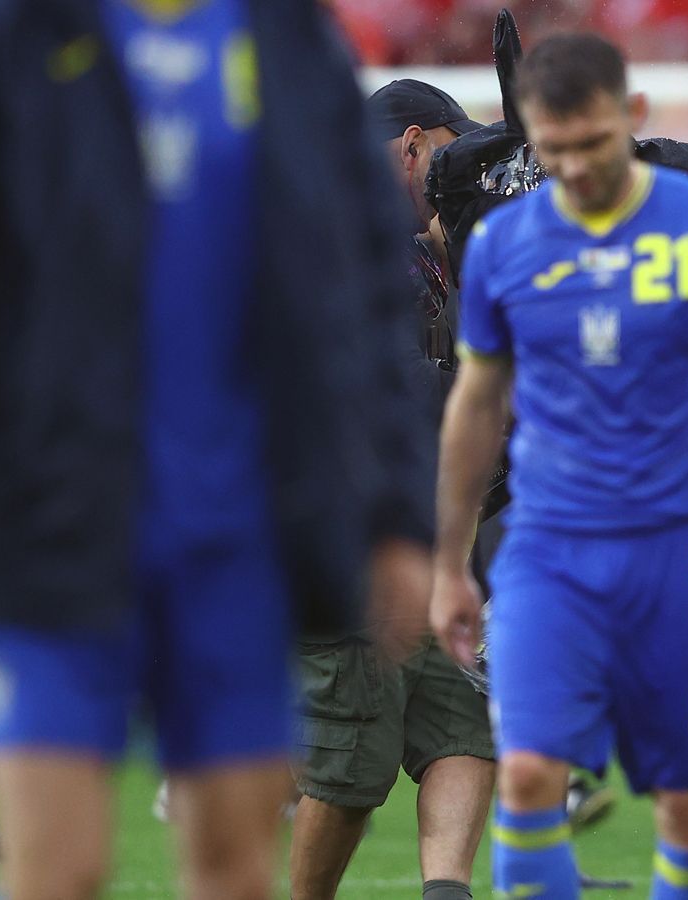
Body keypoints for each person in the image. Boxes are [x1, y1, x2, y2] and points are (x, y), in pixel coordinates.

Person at [0, 1, 435, 898]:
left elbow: (369, 286)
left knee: (233, 872)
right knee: (54, 874)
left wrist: (399, 515)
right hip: (49, 529)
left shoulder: (285, 37)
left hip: (240, 538)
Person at [429, 33, 688, 900]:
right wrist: (447, 562)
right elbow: (477, 407)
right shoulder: (503, 245)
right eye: (553, 153)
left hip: (682, 553)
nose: (577, 169)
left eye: (593, 144)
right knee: (525, 779)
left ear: (630, 118)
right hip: (550, 553)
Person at [288, 80, 493, 900]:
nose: (464, 174)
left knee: (466, 725)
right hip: (342, 537)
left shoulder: (415, 249)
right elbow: (408, 397)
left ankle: (446, 891)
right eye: (455, 150)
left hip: (412, 537)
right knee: (350, 766)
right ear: (412, 144)